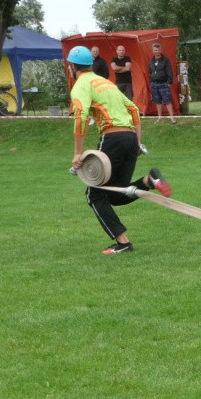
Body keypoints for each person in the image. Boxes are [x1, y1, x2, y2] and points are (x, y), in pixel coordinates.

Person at [67, 46, 172, 254]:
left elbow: (80, 117)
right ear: (90, 64)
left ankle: (123, 243)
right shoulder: (106, 83)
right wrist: (138, 143)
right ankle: (149, 180)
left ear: (72, 67)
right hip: (131, 138)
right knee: (115, 194)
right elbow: (133, 109)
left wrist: (78, 153)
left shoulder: (81, 84)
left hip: (112, 137)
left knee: (94, 194)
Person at [149, 43, 177, 124]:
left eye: (158, 50)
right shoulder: (151, 61)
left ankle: (172, 118)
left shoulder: (165, 60)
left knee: (167, 101)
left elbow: (170, 72)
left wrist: (168, 83)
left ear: (160, 50)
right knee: (157, 101)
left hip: (163, 84)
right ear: (153, 51)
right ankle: (160, 118)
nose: (157, 52)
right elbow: (150, 72)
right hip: (154, 84)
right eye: (155, 50)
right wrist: (151, 80)